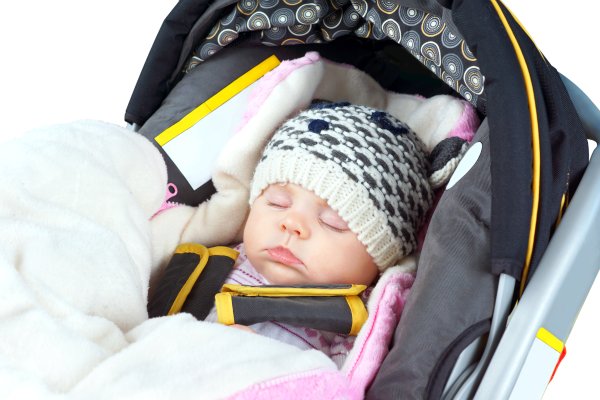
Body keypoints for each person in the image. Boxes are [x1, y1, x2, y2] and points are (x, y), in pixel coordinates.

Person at [197, 101, 442, 366]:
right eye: (277, 202)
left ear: (382, 258)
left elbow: (338, 385)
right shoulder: (215, 260)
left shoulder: (349, 326)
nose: (292, 223)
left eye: (332, 222)